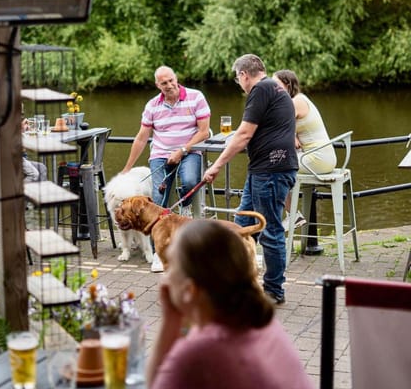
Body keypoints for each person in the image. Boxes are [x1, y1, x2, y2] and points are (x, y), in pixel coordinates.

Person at [134, 219, 377, 389]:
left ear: (190, 290)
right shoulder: (255, 317)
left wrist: (170, 320)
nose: (165, 275)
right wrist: (172, 319)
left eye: (171, 265)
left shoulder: (201, 352)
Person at [203, 53, 297, 304]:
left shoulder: (260, 89)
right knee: (241, 227)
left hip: (270, 171)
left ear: (244, 74)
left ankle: (274, 291)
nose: (240, 84)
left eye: (238, 79)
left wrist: (216, 165)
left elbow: (244, 134)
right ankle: (237, 281)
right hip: (266, 169)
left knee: (271, 230)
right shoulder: (278, 88)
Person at [122, 65, 211, 273]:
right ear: (157, 85)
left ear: (176, 77)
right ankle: (158, 255)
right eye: (164, 83)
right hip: (160, 154)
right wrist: (127, 168)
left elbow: (204, 132)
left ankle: (185, 208)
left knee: (189, 181)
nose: (170, 85)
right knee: (157, 200)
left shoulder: (196, 97)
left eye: (172, 80)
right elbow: (142, 137)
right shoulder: (152, 105)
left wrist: (182, 150)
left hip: (189, 151)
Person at [273, 69, 337, 231]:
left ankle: (291, 215)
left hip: (317, 158)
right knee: (278, 163)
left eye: (276, 84)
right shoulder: (299, 99)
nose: (273, 88)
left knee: (275, 168)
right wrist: (292, 134)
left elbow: (277, 126)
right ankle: (290, 214)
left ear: (287, 85)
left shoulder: (296, 102)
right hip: (321, 155)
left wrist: (291, 134)